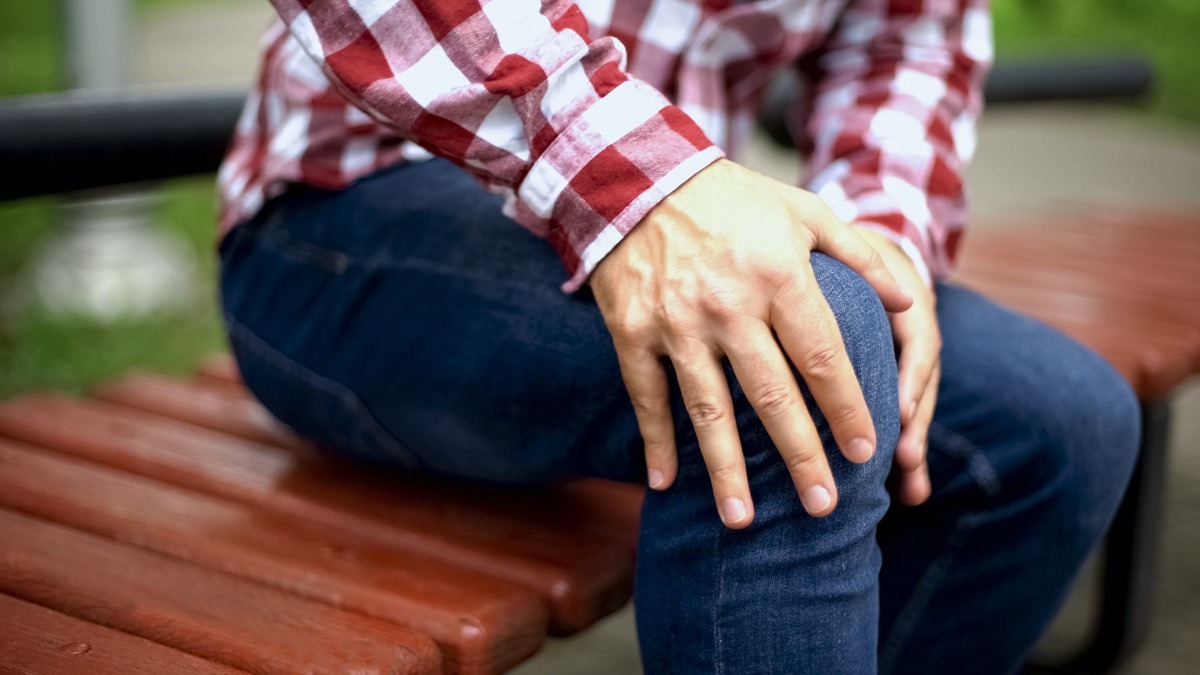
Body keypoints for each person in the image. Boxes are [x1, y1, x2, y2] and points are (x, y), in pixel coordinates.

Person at [216, 0, 1140, 672]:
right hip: (350, 214)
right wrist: (631, 184)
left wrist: (881, 254)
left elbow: (906, 42)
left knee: (1063, 422)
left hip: (672, 211)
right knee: (777, 361)